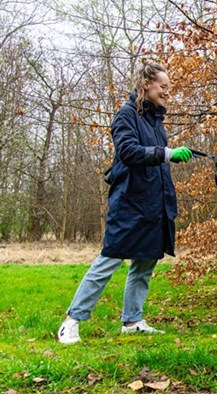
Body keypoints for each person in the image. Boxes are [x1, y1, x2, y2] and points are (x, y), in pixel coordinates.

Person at [58, 62, 193, 344]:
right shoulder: (126, 114)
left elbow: (156, 165)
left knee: (145, 263)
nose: (167, 93)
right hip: (129, 204)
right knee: (108, 261)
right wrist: (167, 153)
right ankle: (71, 321)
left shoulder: (156, 122)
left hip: (154, 205)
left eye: (168, 88)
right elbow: (129, 151)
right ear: (146, 84)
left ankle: (132, 321)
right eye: (163, 87)